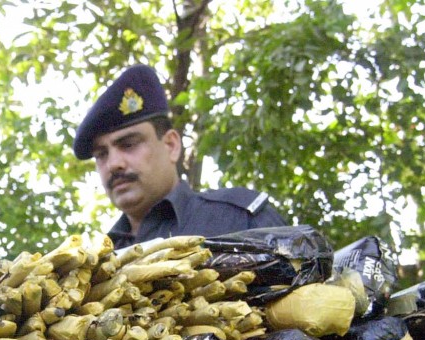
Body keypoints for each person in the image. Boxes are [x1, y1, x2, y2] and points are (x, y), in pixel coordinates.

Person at [73, 64, 287, 248]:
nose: (114, 164)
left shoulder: (238, 220)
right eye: (101, 154)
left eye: (128, 144)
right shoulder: (99, 264)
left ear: (171, 145)